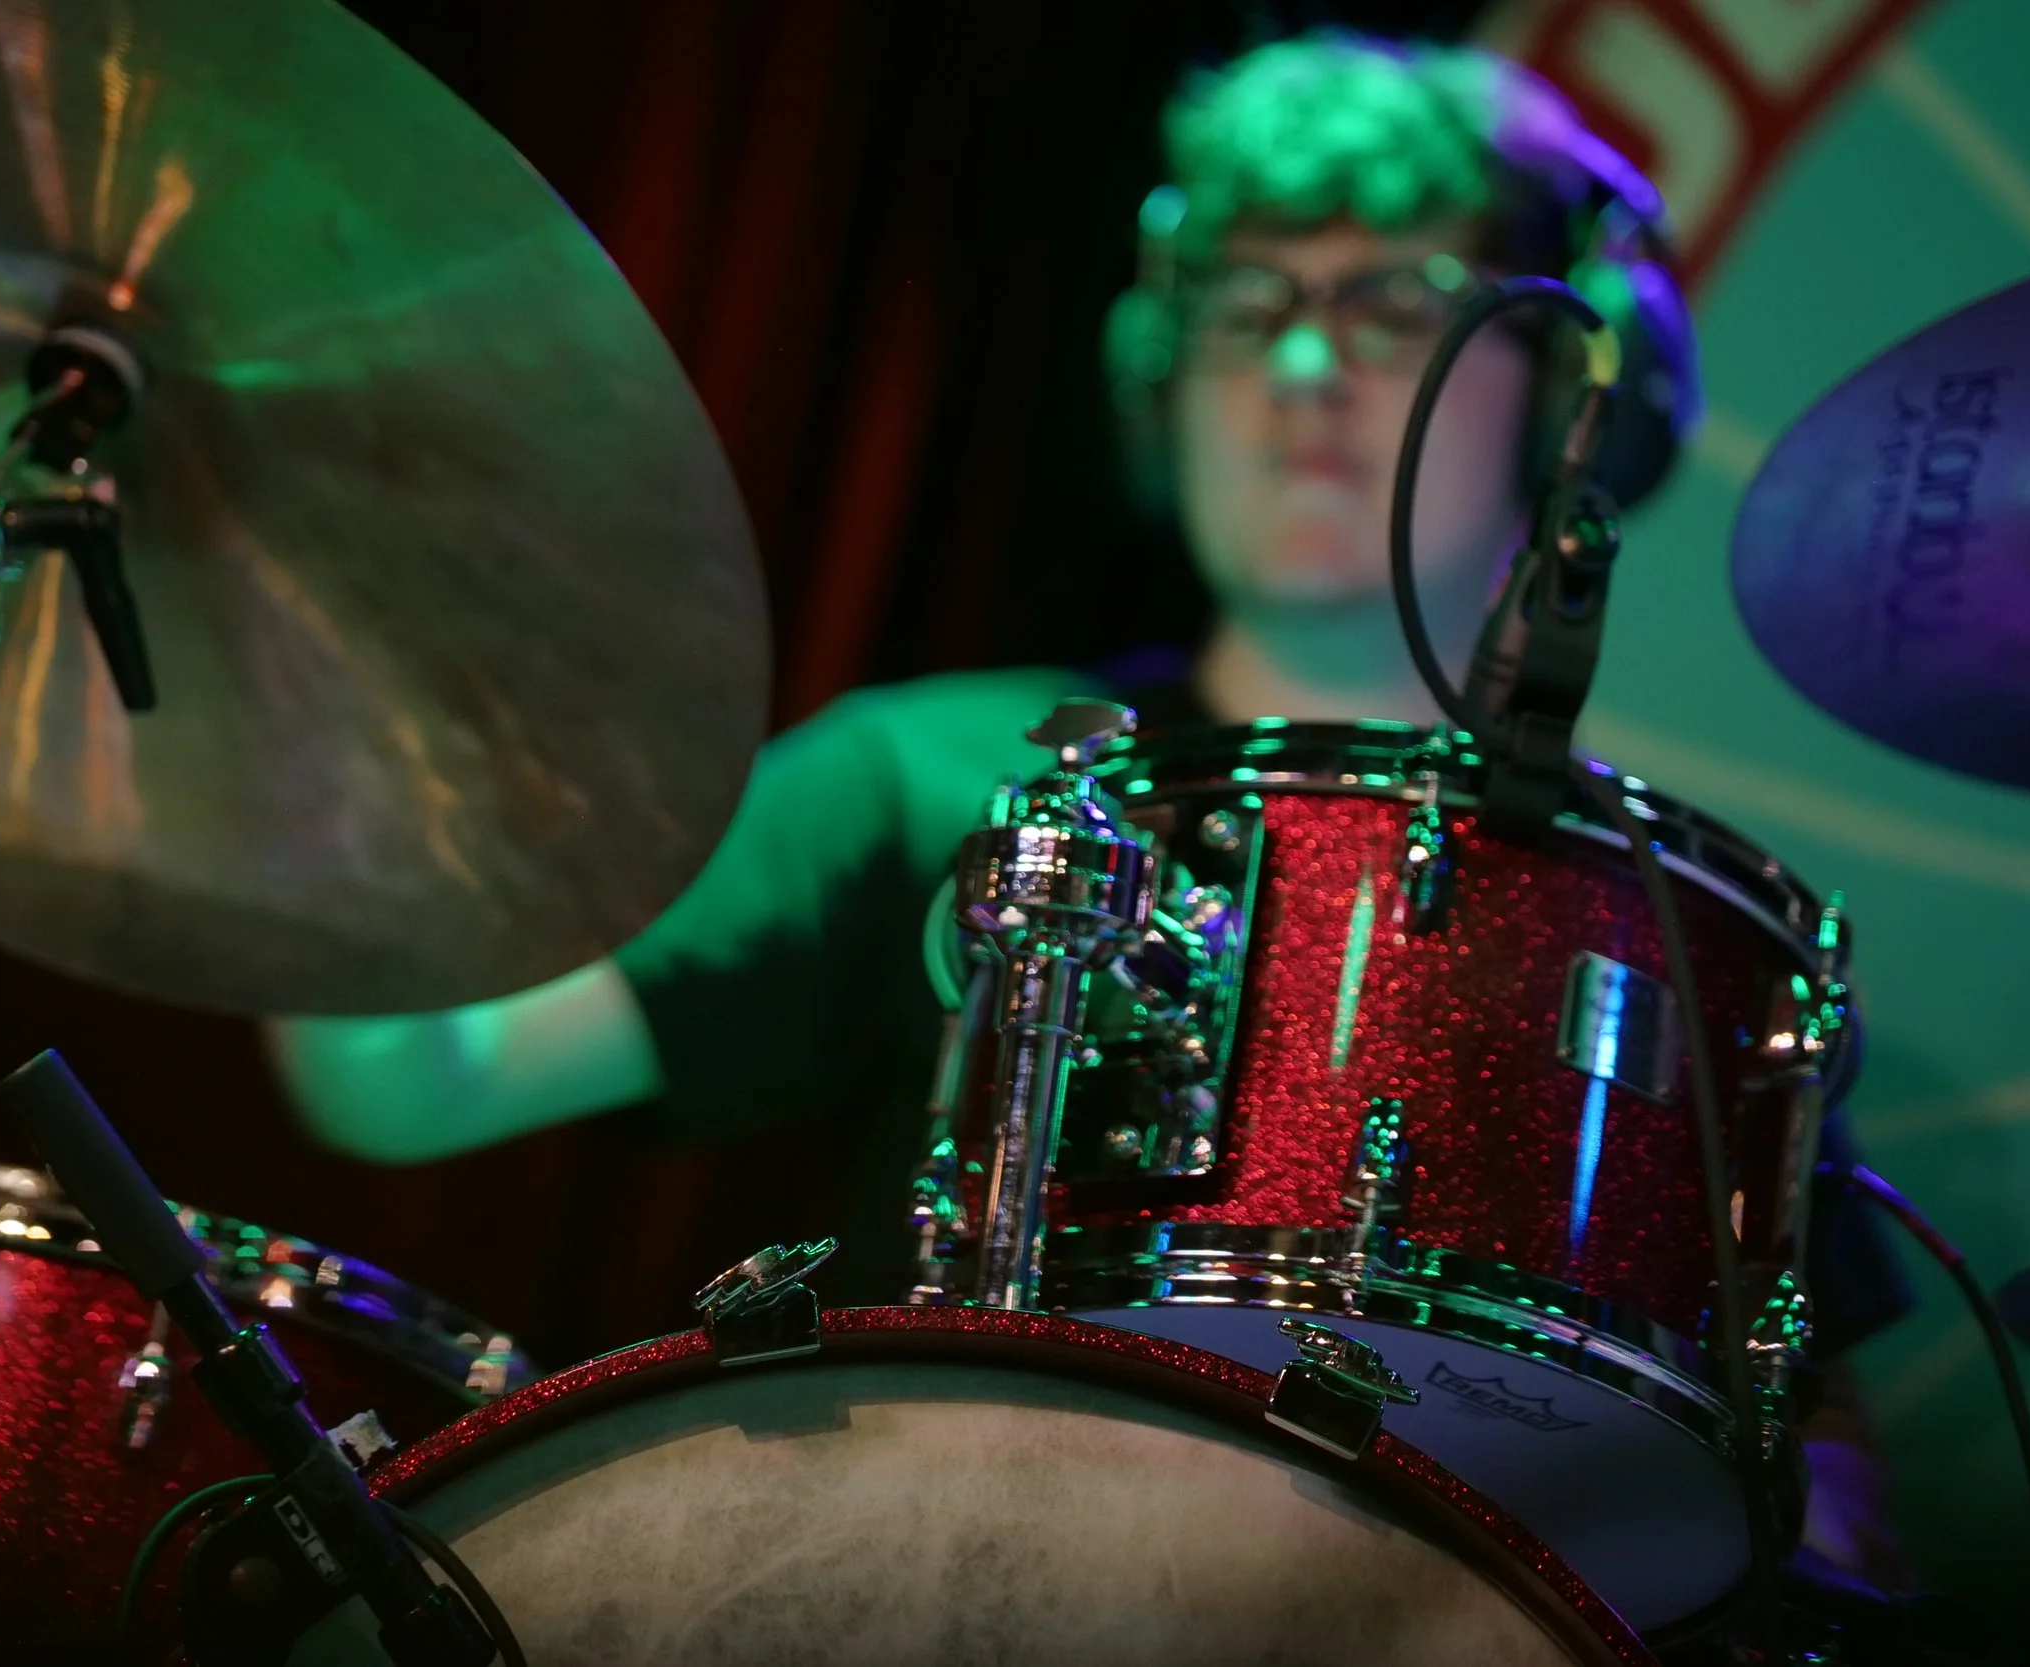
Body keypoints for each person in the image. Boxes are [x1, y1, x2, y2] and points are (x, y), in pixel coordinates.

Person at [273, 32, 1908, 1589]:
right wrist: (288, 657)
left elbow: (1808, 1444)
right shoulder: (935, 769)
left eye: (1397, 302)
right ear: (1158, 378)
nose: (1306, 365)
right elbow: (411, 1077)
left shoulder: (1671, 926)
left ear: (1568, 398)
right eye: (1247, 303)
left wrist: (1824, 1531)